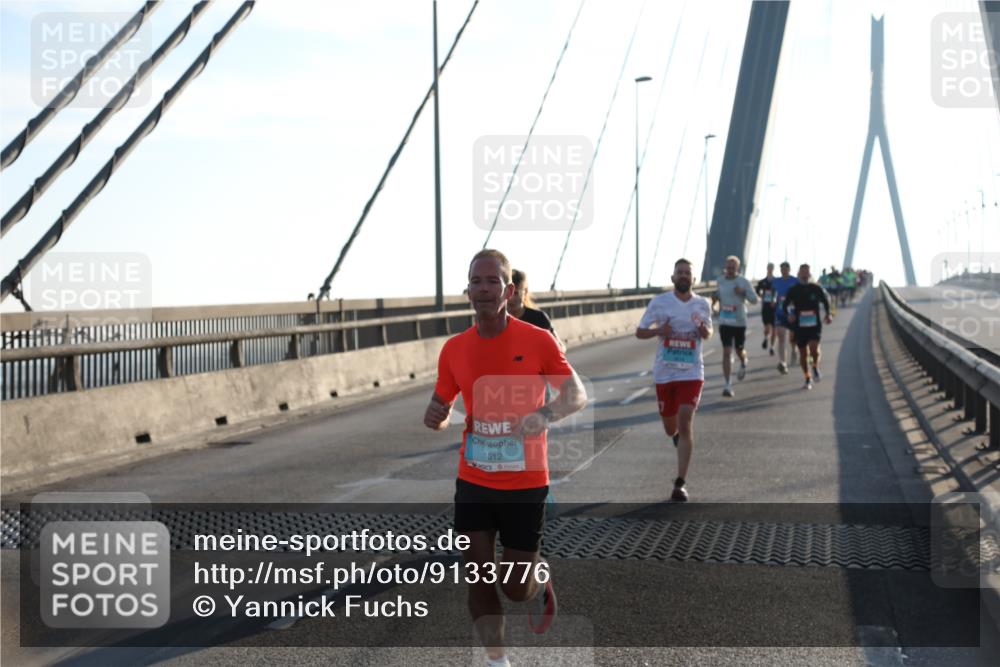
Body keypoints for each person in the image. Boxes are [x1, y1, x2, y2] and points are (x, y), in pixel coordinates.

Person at [423, 249, 588, 667]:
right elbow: (442, 405)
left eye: (492, 281)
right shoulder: (455, 349)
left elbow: (577, 395)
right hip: (474, 477)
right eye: (475, 281)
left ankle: (538, 579)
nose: (483, 289)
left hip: (525, 482)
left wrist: (544, 415)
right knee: (477, 574)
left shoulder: (537, 340)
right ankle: (497, 660)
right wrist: (436, 417)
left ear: (508, 290)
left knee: (515, 588)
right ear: (467, 291)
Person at [636, 258, 713, 502]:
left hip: (691, 372)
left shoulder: (702, 304)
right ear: (672, 278)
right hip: (665, 373)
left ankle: (680, 483)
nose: (683, 276)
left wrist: (704, 331)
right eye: (679, 272)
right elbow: (640, 332)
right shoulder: (660, 303)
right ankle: (678, 439)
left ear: (693, 279)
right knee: (671, 428)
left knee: (685, 420)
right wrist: (660, 331)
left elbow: (709, 332)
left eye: (687, 273)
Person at [711, 255, 758, 397]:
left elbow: (754, 300)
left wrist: (743, 292)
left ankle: (744, 360)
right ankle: (728, 384)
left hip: (739, 322)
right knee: (726, 352)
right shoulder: (720, 280)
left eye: (733, 267)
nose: (730, 270)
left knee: (739, 350)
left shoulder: (743, 282)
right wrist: (714, 300)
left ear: (737, 268)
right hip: (725, 321)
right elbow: (719, 294)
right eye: (728, 267)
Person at [783, 263, 833, 390]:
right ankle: (807, 376)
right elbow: (785, 305)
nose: (805, 274)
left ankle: (815, 366)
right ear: (799, 274)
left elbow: (826, 302)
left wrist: (828, 314)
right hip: (799, 326)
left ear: (810, 274)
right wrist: (789, 315)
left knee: (814, 348)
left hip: (814, 324)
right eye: (802, 272)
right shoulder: (793, 290)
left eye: (807, 272)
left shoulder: (816, 288)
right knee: (803, 354)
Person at [510, 269, 565, 352]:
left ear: (525, 291)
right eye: (508, 293)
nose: (511, 298)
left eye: (516, 293)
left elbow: (560, 348)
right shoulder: (496, 321)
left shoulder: (539, 318)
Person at [771, 262, 799, 374]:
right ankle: (783, 362)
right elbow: (773, 294)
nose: (784, 271)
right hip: (780, 313)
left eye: (786, 269)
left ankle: (794, 349)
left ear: (789, 269)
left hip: (792, 313)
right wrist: (773, 301)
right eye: (782, 269)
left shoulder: (795, 281)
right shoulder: (776, 281)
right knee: (781, 337)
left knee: (792, 338)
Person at [756, 262, 778, 356]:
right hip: (766, 306)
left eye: (771, 268)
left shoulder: (777, 281)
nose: (770, 269)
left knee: (775, 328)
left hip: (775, 307)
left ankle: (772, 347)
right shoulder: (762, 281)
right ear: (767, 268)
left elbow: (780, 291)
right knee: (767, 327)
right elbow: (757, 290)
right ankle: (766, 338)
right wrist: (761, 295)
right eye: (768, 267)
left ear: (773, 269)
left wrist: (776, 300)